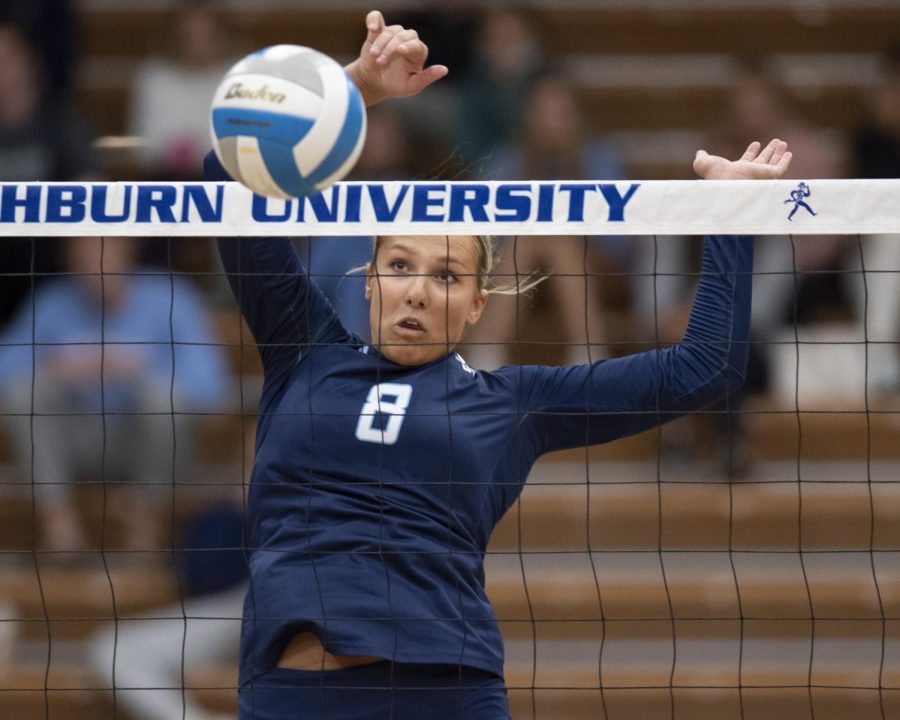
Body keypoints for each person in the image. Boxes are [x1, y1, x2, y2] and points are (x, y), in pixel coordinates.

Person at [205, 11, 792, 719]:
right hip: (295, 691)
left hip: (446, 691)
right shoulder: (304, 351)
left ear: (479, 306)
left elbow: (705, 368)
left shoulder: (512, 401)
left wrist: (731, 220)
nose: (418, 289)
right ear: (369, 280)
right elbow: (225, 180)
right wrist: (356, 88)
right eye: (399, 265)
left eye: (446, 276)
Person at [0, 236, 231, 552]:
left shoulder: (171, 297)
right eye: (83, 253)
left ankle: (147, 527)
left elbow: (214, 389)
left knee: (161, 399)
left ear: (128, 252)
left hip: (146, 447)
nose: (94, 264)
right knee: (28, 393)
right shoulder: (52, 301)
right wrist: (56, 367)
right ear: (69, 259)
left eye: (104, 251)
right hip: (78, 442)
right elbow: (6, 373)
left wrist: (139, 370)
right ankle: (59, 526)